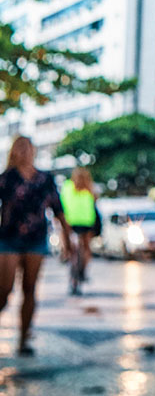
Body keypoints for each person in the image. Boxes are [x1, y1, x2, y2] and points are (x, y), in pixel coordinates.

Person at [0, 136, 72, 355]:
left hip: (36, 238)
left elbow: (58, 210)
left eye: (27, 147)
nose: (24, 152)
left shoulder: (45, 179)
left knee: (30, 289)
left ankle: (23, 339)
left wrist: (68, 241)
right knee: (4, 289)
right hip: (8, 238)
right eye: (19, 148)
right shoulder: (6, 178)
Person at [60, 166, 99, 292]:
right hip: (87, 222)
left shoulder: (67, 186)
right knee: (86, 249)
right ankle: (82, 271)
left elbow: (61, 204)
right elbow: (93, 204)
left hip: (70, 222)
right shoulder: (89, 187)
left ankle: (66, 254)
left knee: (71, 248)